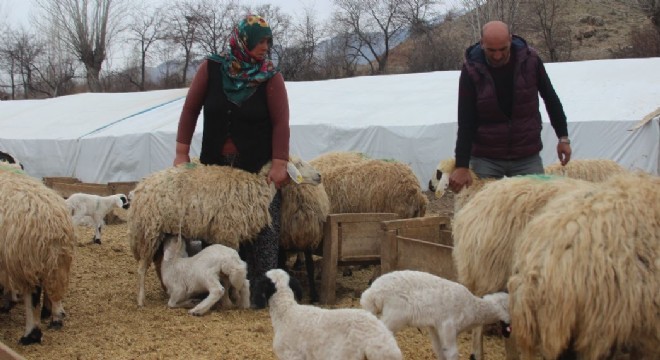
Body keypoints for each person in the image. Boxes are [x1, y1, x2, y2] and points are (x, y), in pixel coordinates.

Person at [173, 14, 290, 296]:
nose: (265, 47)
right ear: (242, 40)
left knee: (263, 225)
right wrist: (181, 152)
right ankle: (215, 285)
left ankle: (263, 287)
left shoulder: (270, 78)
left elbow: (281, 123)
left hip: (255, 169)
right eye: (259, 41)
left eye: (267, 41)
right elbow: (190, 110)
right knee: (214, 226)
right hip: (215, 166)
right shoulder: (211, 69)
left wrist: (279, 162)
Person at [449, 20, 572, 193]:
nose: (498, 56)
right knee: (484, 214)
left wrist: (563, 137)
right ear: (482, 43)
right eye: (491, 50)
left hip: (526, 154)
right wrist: (461, 165)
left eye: (503, 49)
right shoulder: (471, 70)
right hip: (486, 156)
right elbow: (466, 119)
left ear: (510, 40)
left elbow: (550, 99)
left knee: (536, 207)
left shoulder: (531, 61)